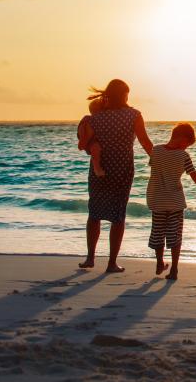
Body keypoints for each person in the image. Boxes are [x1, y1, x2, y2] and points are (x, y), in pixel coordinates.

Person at [78, 79, 154, 273]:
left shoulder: (94, 118)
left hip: (99, 169)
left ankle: (90, 258)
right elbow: (145, 142)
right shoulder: (134, 115)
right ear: (124, 95)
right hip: (122, 169)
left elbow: (85, 144)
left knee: (94, 212)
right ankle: (112, 262)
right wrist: (158, 160)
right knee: (118, 215)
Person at [147, 123, 196, 281]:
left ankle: (159, 263)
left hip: (157, 200)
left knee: (158, 232)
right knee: (175, 235)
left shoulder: (156, 150)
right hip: (175, 202)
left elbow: (154, 169)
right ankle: (174, 269)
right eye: (188, 144)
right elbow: (194, 175)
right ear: (182, 138)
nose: (187, 148)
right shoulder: (183, 156)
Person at [76, 98, 106, 177]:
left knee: (95, 150)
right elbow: (83, 128)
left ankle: (83, 141)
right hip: (91, 141)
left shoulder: (92, 120)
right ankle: (97, 169)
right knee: (95, 148)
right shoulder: (90, 119)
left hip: (92, 139)